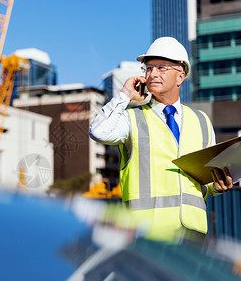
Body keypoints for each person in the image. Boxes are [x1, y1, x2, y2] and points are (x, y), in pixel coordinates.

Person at [89, 37, 233, 242]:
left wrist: (216, 187)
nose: (152, 74)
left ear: (180, 76)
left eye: (161, 67)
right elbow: (99, 131)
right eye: (148, 68)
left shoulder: (202, 121)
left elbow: (205, 181)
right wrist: (125, 95)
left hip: (193, 235)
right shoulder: (131, 119)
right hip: (146, 234)